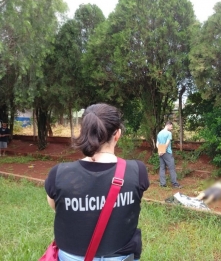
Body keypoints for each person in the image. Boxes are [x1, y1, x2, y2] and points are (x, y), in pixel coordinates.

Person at [44, 103, 149, 261]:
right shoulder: (137, 171)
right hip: (121, 255)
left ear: (84, 131)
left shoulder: (59, 174)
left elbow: (56, 207)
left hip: (72, 256)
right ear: (117, 134)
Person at [156, 121, 181, 188]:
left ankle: (162, 184)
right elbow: (167, 143)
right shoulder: (169, 133)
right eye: (171, 126)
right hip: (167, 152)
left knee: (162, 168)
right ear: (168, 125)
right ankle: (175, 184)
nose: (171, 128)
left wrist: (160, 151)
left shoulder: (159, 133)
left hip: (161, 152)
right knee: (172, 168)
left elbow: (157, 144)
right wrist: (163, 151)